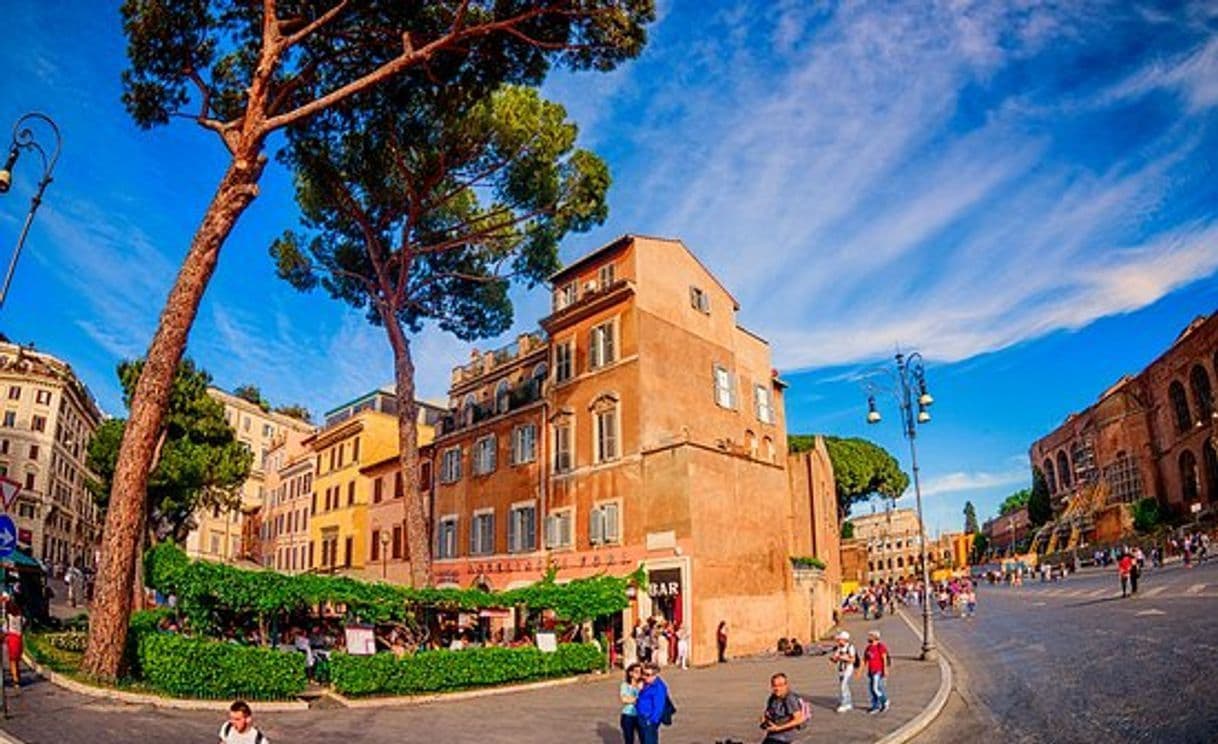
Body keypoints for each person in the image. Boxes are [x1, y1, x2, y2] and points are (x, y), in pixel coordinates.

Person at [759, 672, 807, 743]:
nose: (777, 688)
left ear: (786, 685)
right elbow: (768, 713)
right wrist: (765, 720)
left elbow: (799, 719)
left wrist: (779, 728)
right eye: (775, 686)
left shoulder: (789, 699)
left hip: (784, 737)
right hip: (772, 734)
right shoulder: (772, 698)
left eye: (780, 685)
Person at [635, 663, 670, 744]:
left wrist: (651, 721)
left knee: (650, 741)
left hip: (648, 718)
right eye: (643, 673)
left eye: (647, 675)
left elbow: (659, 707)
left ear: (655, 675)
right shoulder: (646, 683)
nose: (644, 677)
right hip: (641, 716)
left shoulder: (658, 687)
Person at [863, 630, 891, 714]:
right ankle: (875, 706)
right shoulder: (868, 647)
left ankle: (885, 701)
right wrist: (861, 670)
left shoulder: (880, 646)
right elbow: (865, 659)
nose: (868, 638)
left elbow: (884, 658)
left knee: (876, 688)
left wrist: (885, 669)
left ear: (875, 637)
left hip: (878, 670)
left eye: (870, 636)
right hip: (871, 670)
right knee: (872, 689)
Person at [830, 630, 858, 713]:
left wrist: (843, 658)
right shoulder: (839, 648)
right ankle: (848, 702)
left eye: (840, 640)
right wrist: (834, 659)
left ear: (844, 639)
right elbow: (836, 658)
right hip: (841, 668)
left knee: (843, 685)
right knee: (844, 685)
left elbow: (853, 659)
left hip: (848, 668)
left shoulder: (850, 647)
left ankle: (844, 703)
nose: (838, 641)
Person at [619, 662, 643, 744]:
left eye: (641, 672)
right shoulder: (625, 685)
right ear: (630, 673)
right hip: (628, 715)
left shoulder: (643, 684)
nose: (639, 674)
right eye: (636, 672)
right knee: (629, 739)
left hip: (641, 715)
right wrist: (637, 699)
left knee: (643, 738)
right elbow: (624, 699)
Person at [3, 598, 22, 691]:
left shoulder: (8, 617)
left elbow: (5, 629)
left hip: (12, 638)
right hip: (19, 639)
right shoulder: (20, 617)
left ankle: (15, 680)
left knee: (12, 661)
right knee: (17, 660)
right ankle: (18, 676)